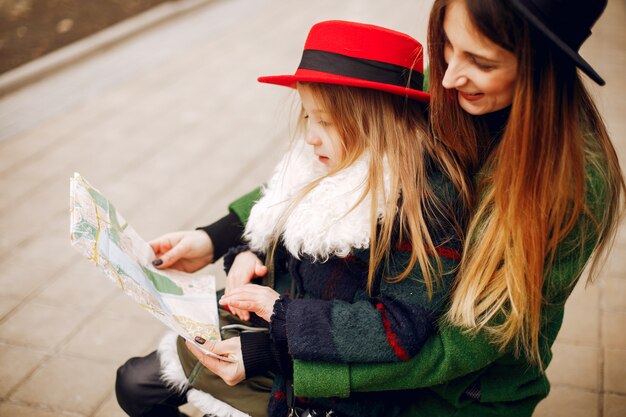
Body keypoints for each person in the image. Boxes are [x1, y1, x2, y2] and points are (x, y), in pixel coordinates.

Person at [121, 0, 626, 416]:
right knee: (139, 381)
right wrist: (218, 236)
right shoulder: (446, 85)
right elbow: (331, 175)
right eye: (447, 45)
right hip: (334, 329)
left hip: (445, 391)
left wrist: (272, 353)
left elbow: (455, 347)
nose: (447, 78)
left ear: (544, 66)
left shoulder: (571, 187)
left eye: (483, 62)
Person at [116, 20, 464, 417]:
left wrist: (281, 319)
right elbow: (279, 226)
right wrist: (248, 253)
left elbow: (399, 328)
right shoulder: (316, 165)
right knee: (133, 382)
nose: (311, 136)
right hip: (271, 334)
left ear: (379, 122)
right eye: (307, 118)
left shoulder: (417, 206)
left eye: (327, 121)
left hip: (324, 383)